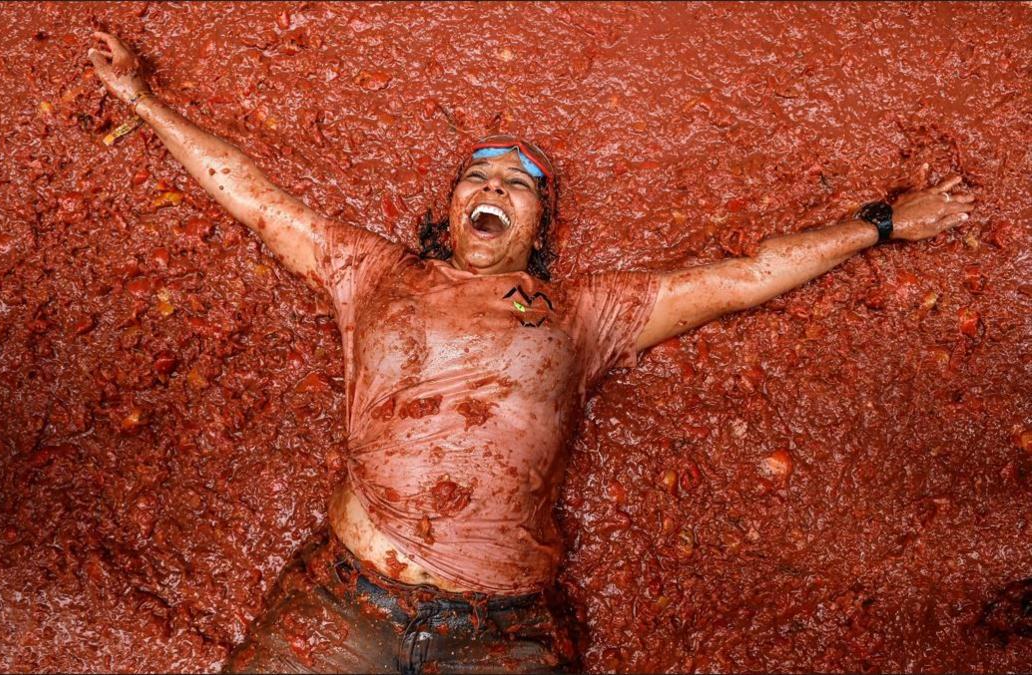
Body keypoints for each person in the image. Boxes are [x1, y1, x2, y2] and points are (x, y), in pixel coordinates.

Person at [87, 31, 976, 674]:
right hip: (343, 601)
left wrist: (883, 222)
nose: (493, 187)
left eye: (518, 183)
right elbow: (254, 197)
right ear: (446, 212)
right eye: (477, 176)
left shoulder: (588, 310)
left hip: (502, 634)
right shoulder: (370, 271)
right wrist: (141, 100)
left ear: (540, 225)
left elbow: (742, 275)